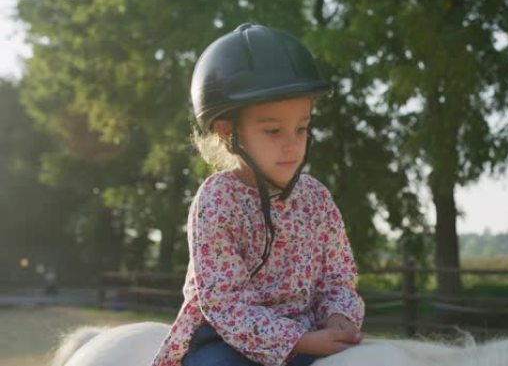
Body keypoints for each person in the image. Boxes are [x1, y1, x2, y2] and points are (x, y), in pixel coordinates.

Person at [150, 23, 365, 366]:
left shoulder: (316, 199)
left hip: (312, 333)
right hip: (228, 341)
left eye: (302, 127)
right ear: (228, 132)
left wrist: (340, 319)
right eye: (273, 130)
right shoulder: (217, 201)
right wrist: (302, 342)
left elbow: (338, 278)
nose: (292, 143)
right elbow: (224, 304)